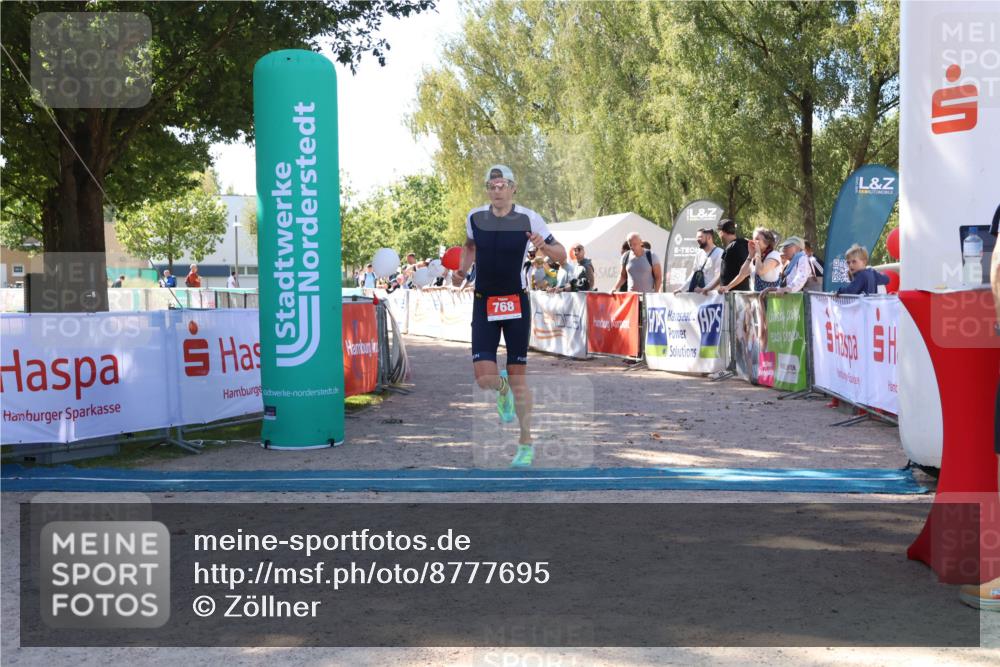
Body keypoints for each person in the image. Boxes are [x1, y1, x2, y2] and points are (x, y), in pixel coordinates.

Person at [453, 164, 566, 467]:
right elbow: (469, 247)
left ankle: (525, 443)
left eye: (502, 185)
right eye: (492, 186)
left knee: (519, 378)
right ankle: (500, 389)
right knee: (484, 378)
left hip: (516, 302)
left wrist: (544, 246)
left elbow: (562, 254)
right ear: (487, 190)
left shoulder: (529, 218)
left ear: (513, 188)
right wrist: (462, 270)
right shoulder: (475, 217)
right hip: (484, 301)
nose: (497, 191)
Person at [718, 227, 781, 293]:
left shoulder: (774, 255)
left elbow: (760, 271)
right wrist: (750, 255)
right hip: (757, 298)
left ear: (767, 242)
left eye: (757, 239)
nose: (754, 242)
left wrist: (758, 253)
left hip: (772, 297)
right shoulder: (755, 258)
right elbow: (742, 275)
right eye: (753, 239)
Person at [701, 219, 750, 293]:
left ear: (721, 232)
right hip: (732, 294)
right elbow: (723, 274)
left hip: (735, 295)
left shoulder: (734, 247)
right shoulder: (740, 245)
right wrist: (709, 288)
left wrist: (728, 286)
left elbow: (746, 272)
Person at [676, 228, 722, 294]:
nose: (697, 239)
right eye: (697, 237)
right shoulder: (699, 253)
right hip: (698, 296)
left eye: (700, 237)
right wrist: (681, 289)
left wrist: (705, 289)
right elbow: (693, 274)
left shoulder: (719, 253)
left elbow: (718, 277)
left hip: (712, 296)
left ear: (709, 237)